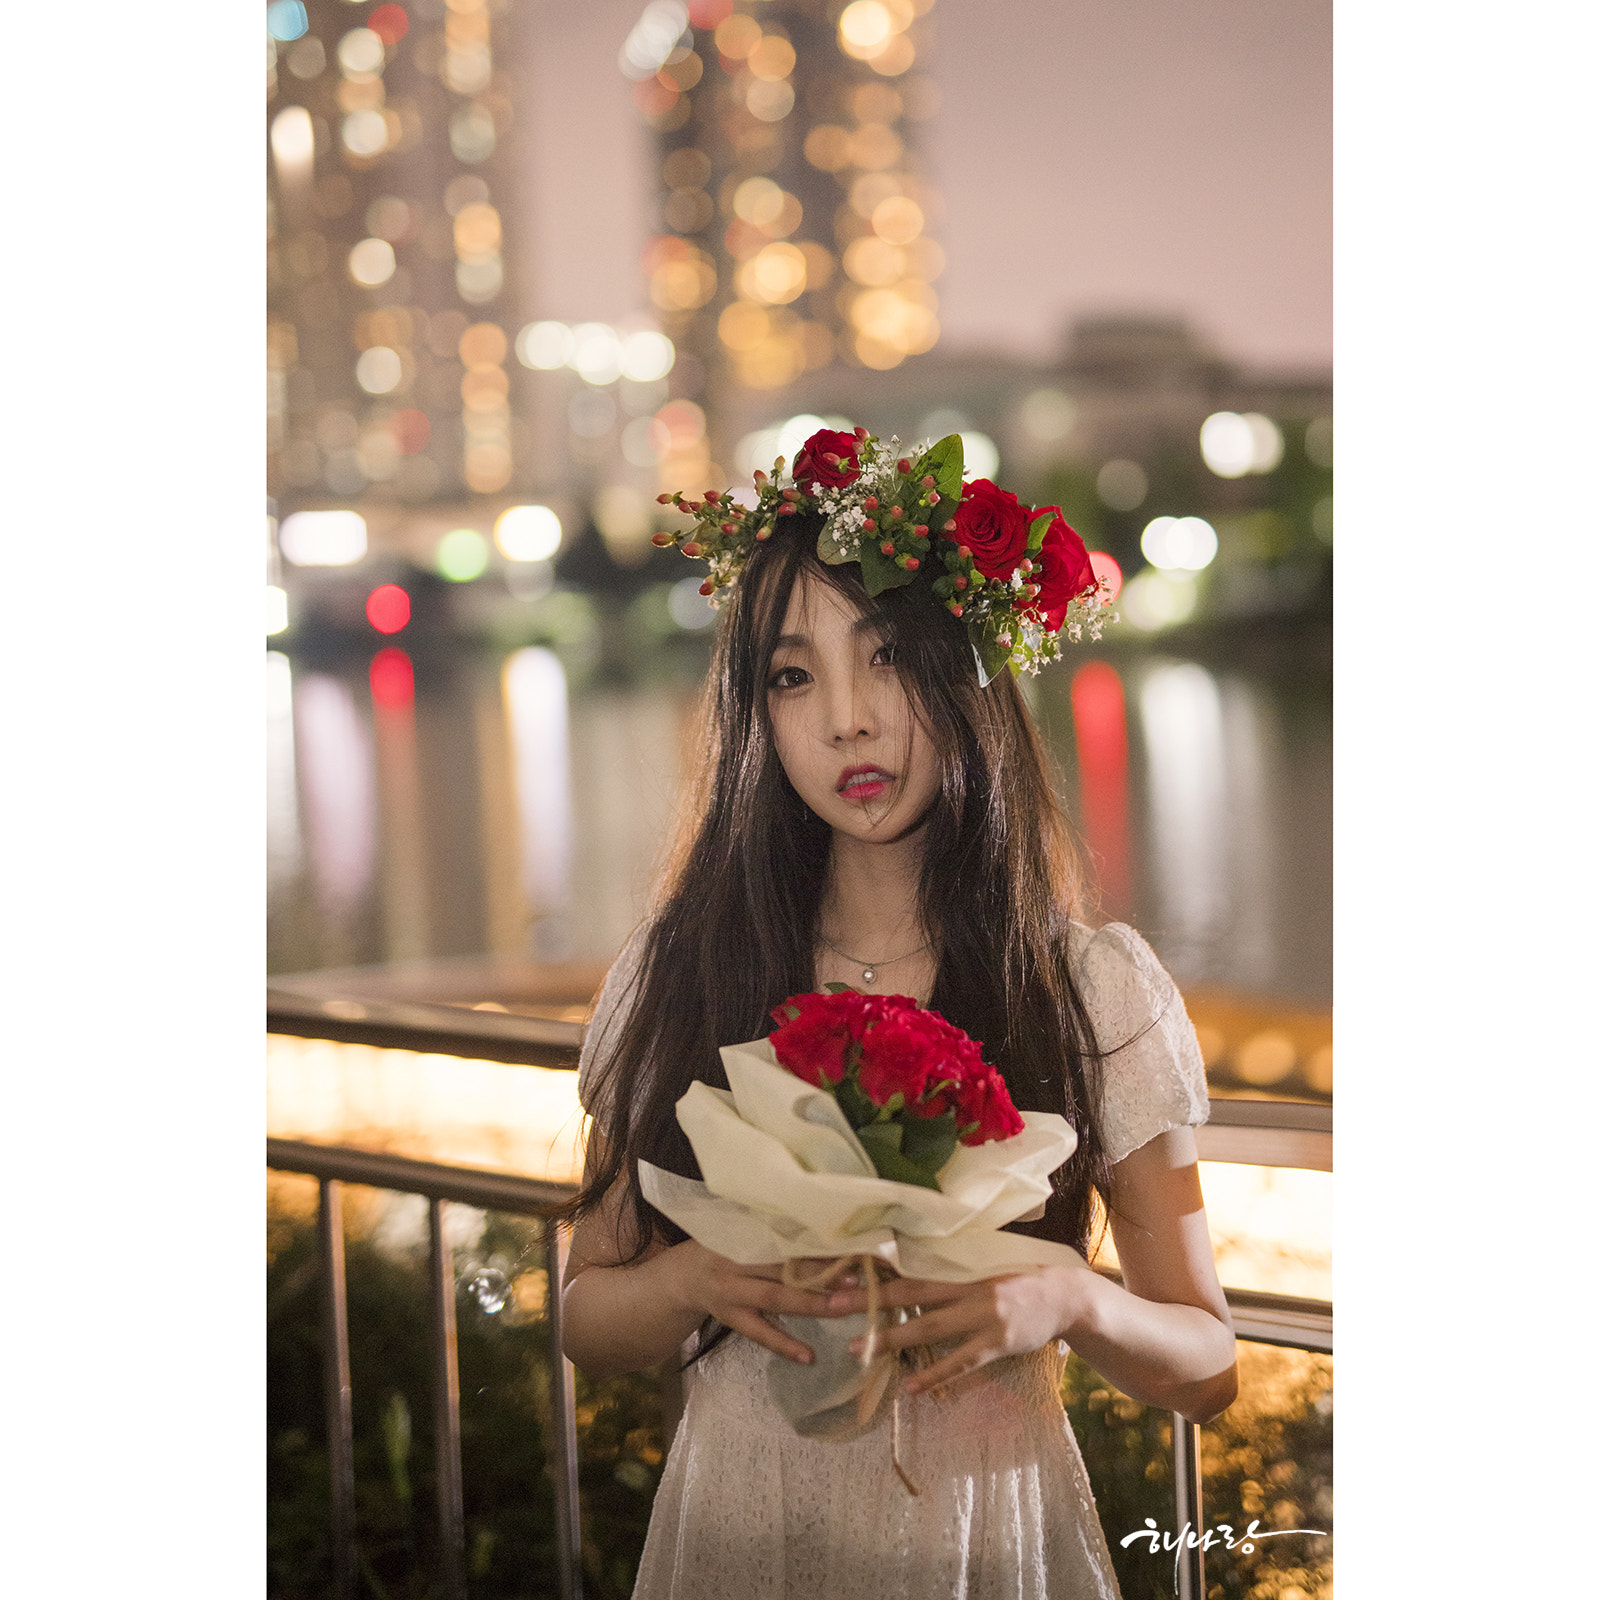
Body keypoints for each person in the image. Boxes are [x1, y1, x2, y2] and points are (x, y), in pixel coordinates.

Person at [559, 428, 1237, 1599]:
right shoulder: (686, 970)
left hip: (984, 1541)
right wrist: (689, 1284)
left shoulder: (1086, 989)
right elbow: (587, 1313)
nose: (847, 721)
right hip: (740, 1527)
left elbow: (1209, 1361)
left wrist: (1070, 1296)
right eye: (793, 675)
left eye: (885, 660)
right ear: (758, 717)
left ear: (964, 671)